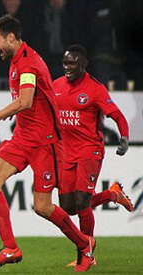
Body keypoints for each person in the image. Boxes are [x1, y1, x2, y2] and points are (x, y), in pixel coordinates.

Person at [0, 14, 95, 272]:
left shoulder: (28, 63)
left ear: (10, 37)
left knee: (42, 207)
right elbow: (26, 104)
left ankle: (84, 244)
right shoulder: (15, 61)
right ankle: (10, 247)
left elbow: (25, 101)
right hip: (23, 137)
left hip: (44, 143)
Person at [53, 45, 133, 267]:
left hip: (90, 150)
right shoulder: (56, 85)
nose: (67, 67)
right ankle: (111, 195)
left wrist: (124, 137)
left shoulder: (95, 89)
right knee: (67, 207)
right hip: (66, 152)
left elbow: (117, 115)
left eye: (72, 63)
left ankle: (86, 255)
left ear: (84, 64)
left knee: (81, 202)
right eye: (65, 63)